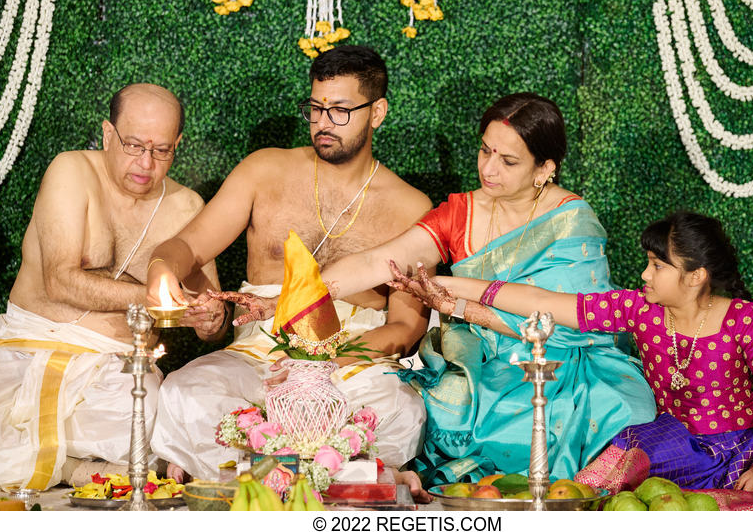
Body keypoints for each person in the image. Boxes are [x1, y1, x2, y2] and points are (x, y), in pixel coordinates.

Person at [237, 92, 656, 485]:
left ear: (545, 169)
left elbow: (576, 322)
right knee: (423, 406)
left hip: (566, 358)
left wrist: (461, 304)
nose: (488, 169)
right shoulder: (462, 212)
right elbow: (375, 263)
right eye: (485, 151)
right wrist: (281, 300)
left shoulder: (571, 221)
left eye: (508, 161)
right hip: (478, 357)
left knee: (625, 408)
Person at [390, 211, 753, 506]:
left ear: (696, 278)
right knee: (603, 481)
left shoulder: (742, 320)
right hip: (681, 444)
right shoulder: (640, 309)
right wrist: (448, 291)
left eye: (657, 265)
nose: (644, 274)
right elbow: (545, 301)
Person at [146, 46, 432, 483]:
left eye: (339, 111)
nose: (322, 123)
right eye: (315, 108)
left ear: (377, 112)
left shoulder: (411, 206)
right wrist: (163, 266)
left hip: (351, 363)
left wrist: (327, 362)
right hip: (260, 353)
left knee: (402, 411)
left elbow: (406, 327)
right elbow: (189, 244)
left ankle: (261, 473)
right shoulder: (264, 170)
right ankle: (341, 475)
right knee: (184, 392)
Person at [0, 84, 224, 490]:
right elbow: (60, 281)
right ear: (107, 134)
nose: (146, 163)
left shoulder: (187, 207)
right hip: (27, 347)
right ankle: (73, 468)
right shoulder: (72, 171)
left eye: (162, 150)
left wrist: (209, 319)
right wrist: (154, 296)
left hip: (120, 370)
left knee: (155, 419)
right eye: (134, 145)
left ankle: (64, 466)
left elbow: (211, 318)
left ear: (178, 144)